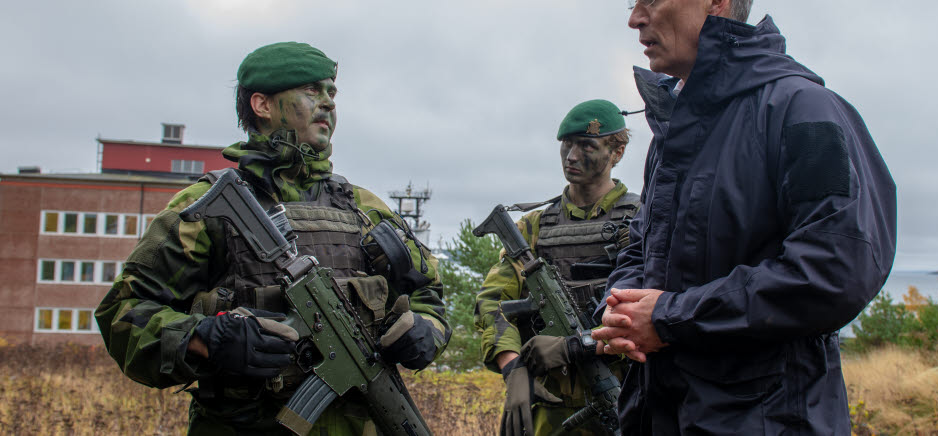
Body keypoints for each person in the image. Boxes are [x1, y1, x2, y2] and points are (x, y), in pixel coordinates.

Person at [95, 41, 450, 435]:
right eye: (312, 90)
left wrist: (425, 330)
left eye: (332, 92)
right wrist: (205, 339)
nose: (329, 103)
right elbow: (122, 315)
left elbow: (428, 296)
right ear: (262, 105)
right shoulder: (204, 208)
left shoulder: (365, 210)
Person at [590, 1, 897, 434]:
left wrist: (670, 318)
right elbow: (642, 246)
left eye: (652, 0)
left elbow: (837, 271)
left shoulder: (804, 109)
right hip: (656, 413)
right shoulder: (673, 132)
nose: (635, 19)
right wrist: (619, 309)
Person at [475, 100, 641, 436]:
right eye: (567, 145)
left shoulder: (642, 219)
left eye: (586, 146)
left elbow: (655, 309)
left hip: (629, 395)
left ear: (617, 151)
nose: (572, 156)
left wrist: (578, 344)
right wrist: (513, 368)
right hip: (550, 406)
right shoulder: (533, 227)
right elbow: (493, 301)